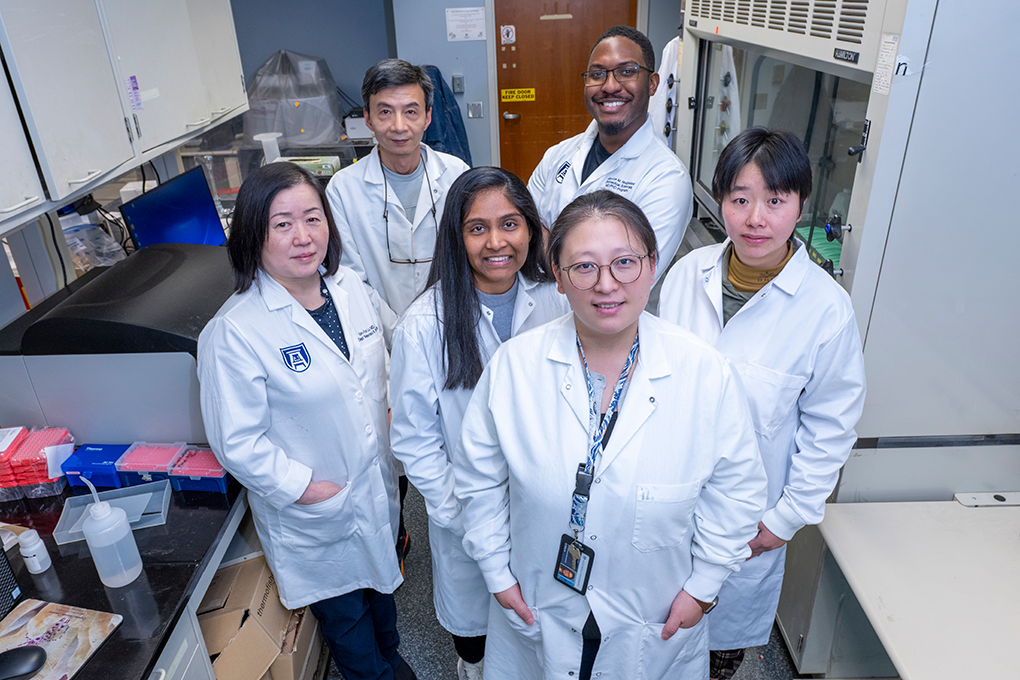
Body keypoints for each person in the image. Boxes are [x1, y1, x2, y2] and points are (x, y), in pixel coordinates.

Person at [452, 190, 767, 680]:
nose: (606, 285)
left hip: (655, 613)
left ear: (653, 264)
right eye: (583, 267)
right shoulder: (515, 368)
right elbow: (478, 481)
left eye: (625, 263)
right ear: (557, 276)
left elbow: (737, 493)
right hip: (538, 601)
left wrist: (703, 588)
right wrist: (496, 571)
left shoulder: (705, 374)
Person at [657, 128, 866, 680]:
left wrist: (783, 520)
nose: (755, 218)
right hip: (664, 500)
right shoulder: (685, 277)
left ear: (800, 205)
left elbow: (830, 428)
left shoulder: (825, 309)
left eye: (774, 201)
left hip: (750, 522)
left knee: (718, 653)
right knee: (654, 638)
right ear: (721, 200)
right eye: (740, 199)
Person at [198, 162, 415, 680]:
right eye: (283, 223)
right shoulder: (235, 332)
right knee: (348, 626)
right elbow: (237, 443)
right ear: (254, 234)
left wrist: (390, 405)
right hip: (316, 510)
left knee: (384, 600)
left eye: (313, 218)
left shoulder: (349, 288)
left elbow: (388, 356)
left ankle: (394, 661)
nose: (303, 236)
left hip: (374, 487)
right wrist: (304, 489)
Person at [389, 167, 570, 680]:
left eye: (510, 224)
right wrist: (464, 515)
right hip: (467, 517)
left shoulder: (558, 301)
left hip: (548, 510)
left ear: (532, 229)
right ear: (456, 237)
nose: (497, 242)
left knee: (543, 631)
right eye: (477, 228)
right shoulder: (425, 327)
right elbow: (415, 440)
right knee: (477, 639)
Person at [527, 25, 693, 284]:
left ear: (652, 84)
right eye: (597, 74)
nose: (610, 86)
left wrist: (549, 247)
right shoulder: (557, 156)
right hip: (537, 317)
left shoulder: (667, 178)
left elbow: (627, 279)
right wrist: (588, 262)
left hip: (609, 324)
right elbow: (524, 235)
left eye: (627, 72)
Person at [325, 58, 470, 339]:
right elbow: (350, 279)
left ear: (428, 117)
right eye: (385, 112)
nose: (399, 126)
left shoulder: (457, 175)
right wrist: (400, 333)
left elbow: (469, 261)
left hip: (453, 329)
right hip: (380, 339)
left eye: (411, 112)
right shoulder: (343, 189)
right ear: (367, 118)